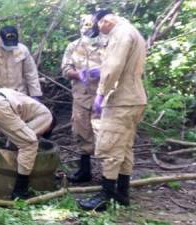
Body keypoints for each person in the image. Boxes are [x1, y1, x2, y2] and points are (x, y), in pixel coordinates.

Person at [78, 10, 148, 211]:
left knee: (109, 146)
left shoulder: (119, 33)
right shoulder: (132, 31)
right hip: (134, 98)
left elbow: (115, 65)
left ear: (106, 21)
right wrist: (98, 71)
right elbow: (123, 65)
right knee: (124, 147)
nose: (100, 31)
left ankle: (105, 195)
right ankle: (122, 193)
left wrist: (100, 94)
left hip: (121, 99)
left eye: (99, 26)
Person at [0, 88, 55, 199]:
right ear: (50, 127)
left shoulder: (30, 106)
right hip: (0, 105)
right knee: (29, 143)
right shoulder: (47, 116)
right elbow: (27, 137)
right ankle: (20, 190)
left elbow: (8, 132)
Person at [61, 14, 106, 183]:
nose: (87, 28)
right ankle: (84, 172)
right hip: (80, 97)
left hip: (102, 98)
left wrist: (102, 72)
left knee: (103, 135)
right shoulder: (73, 46)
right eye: (84, 25)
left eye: (91, 25)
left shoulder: (107, 45)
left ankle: (107, 175)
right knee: (81, 133)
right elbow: (65, 70)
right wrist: (79, 74)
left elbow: (116, 67)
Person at [0, 26, 42, 99]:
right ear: (0, 38)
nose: (10, 45)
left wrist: (35, 94)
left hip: (19, 94)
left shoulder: (23, 50)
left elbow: (31, 74)